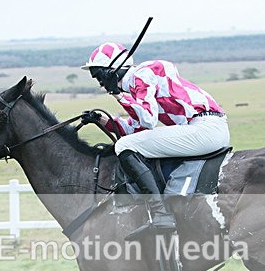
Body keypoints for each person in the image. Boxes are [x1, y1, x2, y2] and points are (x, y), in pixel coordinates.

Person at [82, 42, 230, 239]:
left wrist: (118, 95)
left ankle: (161, 214)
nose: (100, 83)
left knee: (123, 146)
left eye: (100, 75)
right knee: (128, 143)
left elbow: (149, 120)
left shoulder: (143, 74)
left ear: (114, 71)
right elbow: (136, 129)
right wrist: (102, 120)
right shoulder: (137, 88)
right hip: (205, 129)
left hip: (205, 128)